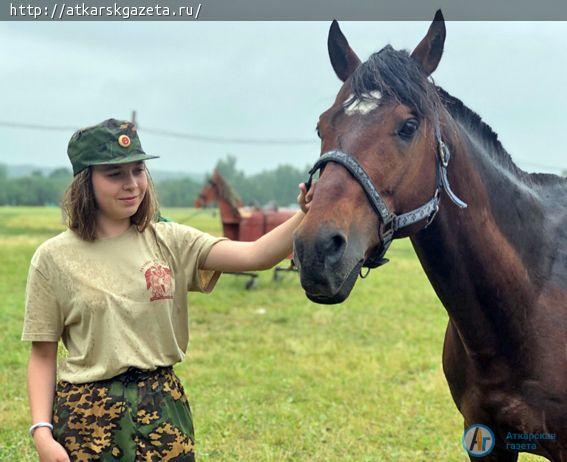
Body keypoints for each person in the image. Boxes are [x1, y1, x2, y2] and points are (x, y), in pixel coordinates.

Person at [21, 118, 313, 462]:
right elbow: (42, 355)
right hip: (87, 420)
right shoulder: (53, 259)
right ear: (86, 181)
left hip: (161, 413)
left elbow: (256, 254)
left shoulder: (170, 241)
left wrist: (306, 213)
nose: (131, 184)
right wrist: (42, 433)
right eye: (115, 174)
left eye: (138, 171)